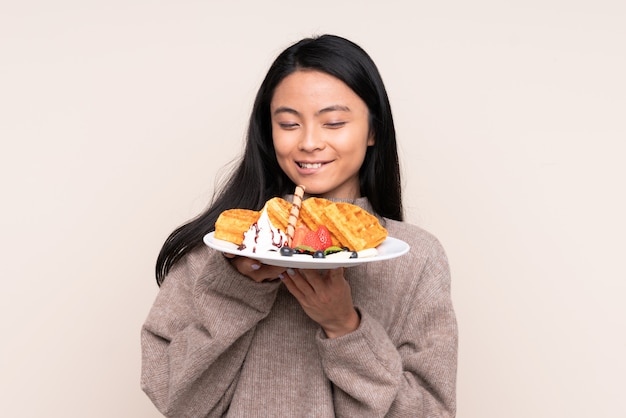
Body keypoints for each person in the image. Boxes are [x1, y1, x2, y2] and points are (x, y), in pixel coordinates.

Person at [141, 34, 458, 417]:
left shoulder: (415, 258)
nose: (309, 142)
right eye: (289, 124)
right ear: (268, 131)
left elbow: (431, 413)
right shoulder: (224, 248)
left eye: (334, 122)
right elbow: (175, 398)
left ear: (373, 130)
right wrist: (237, 288)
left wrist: (345, 326)